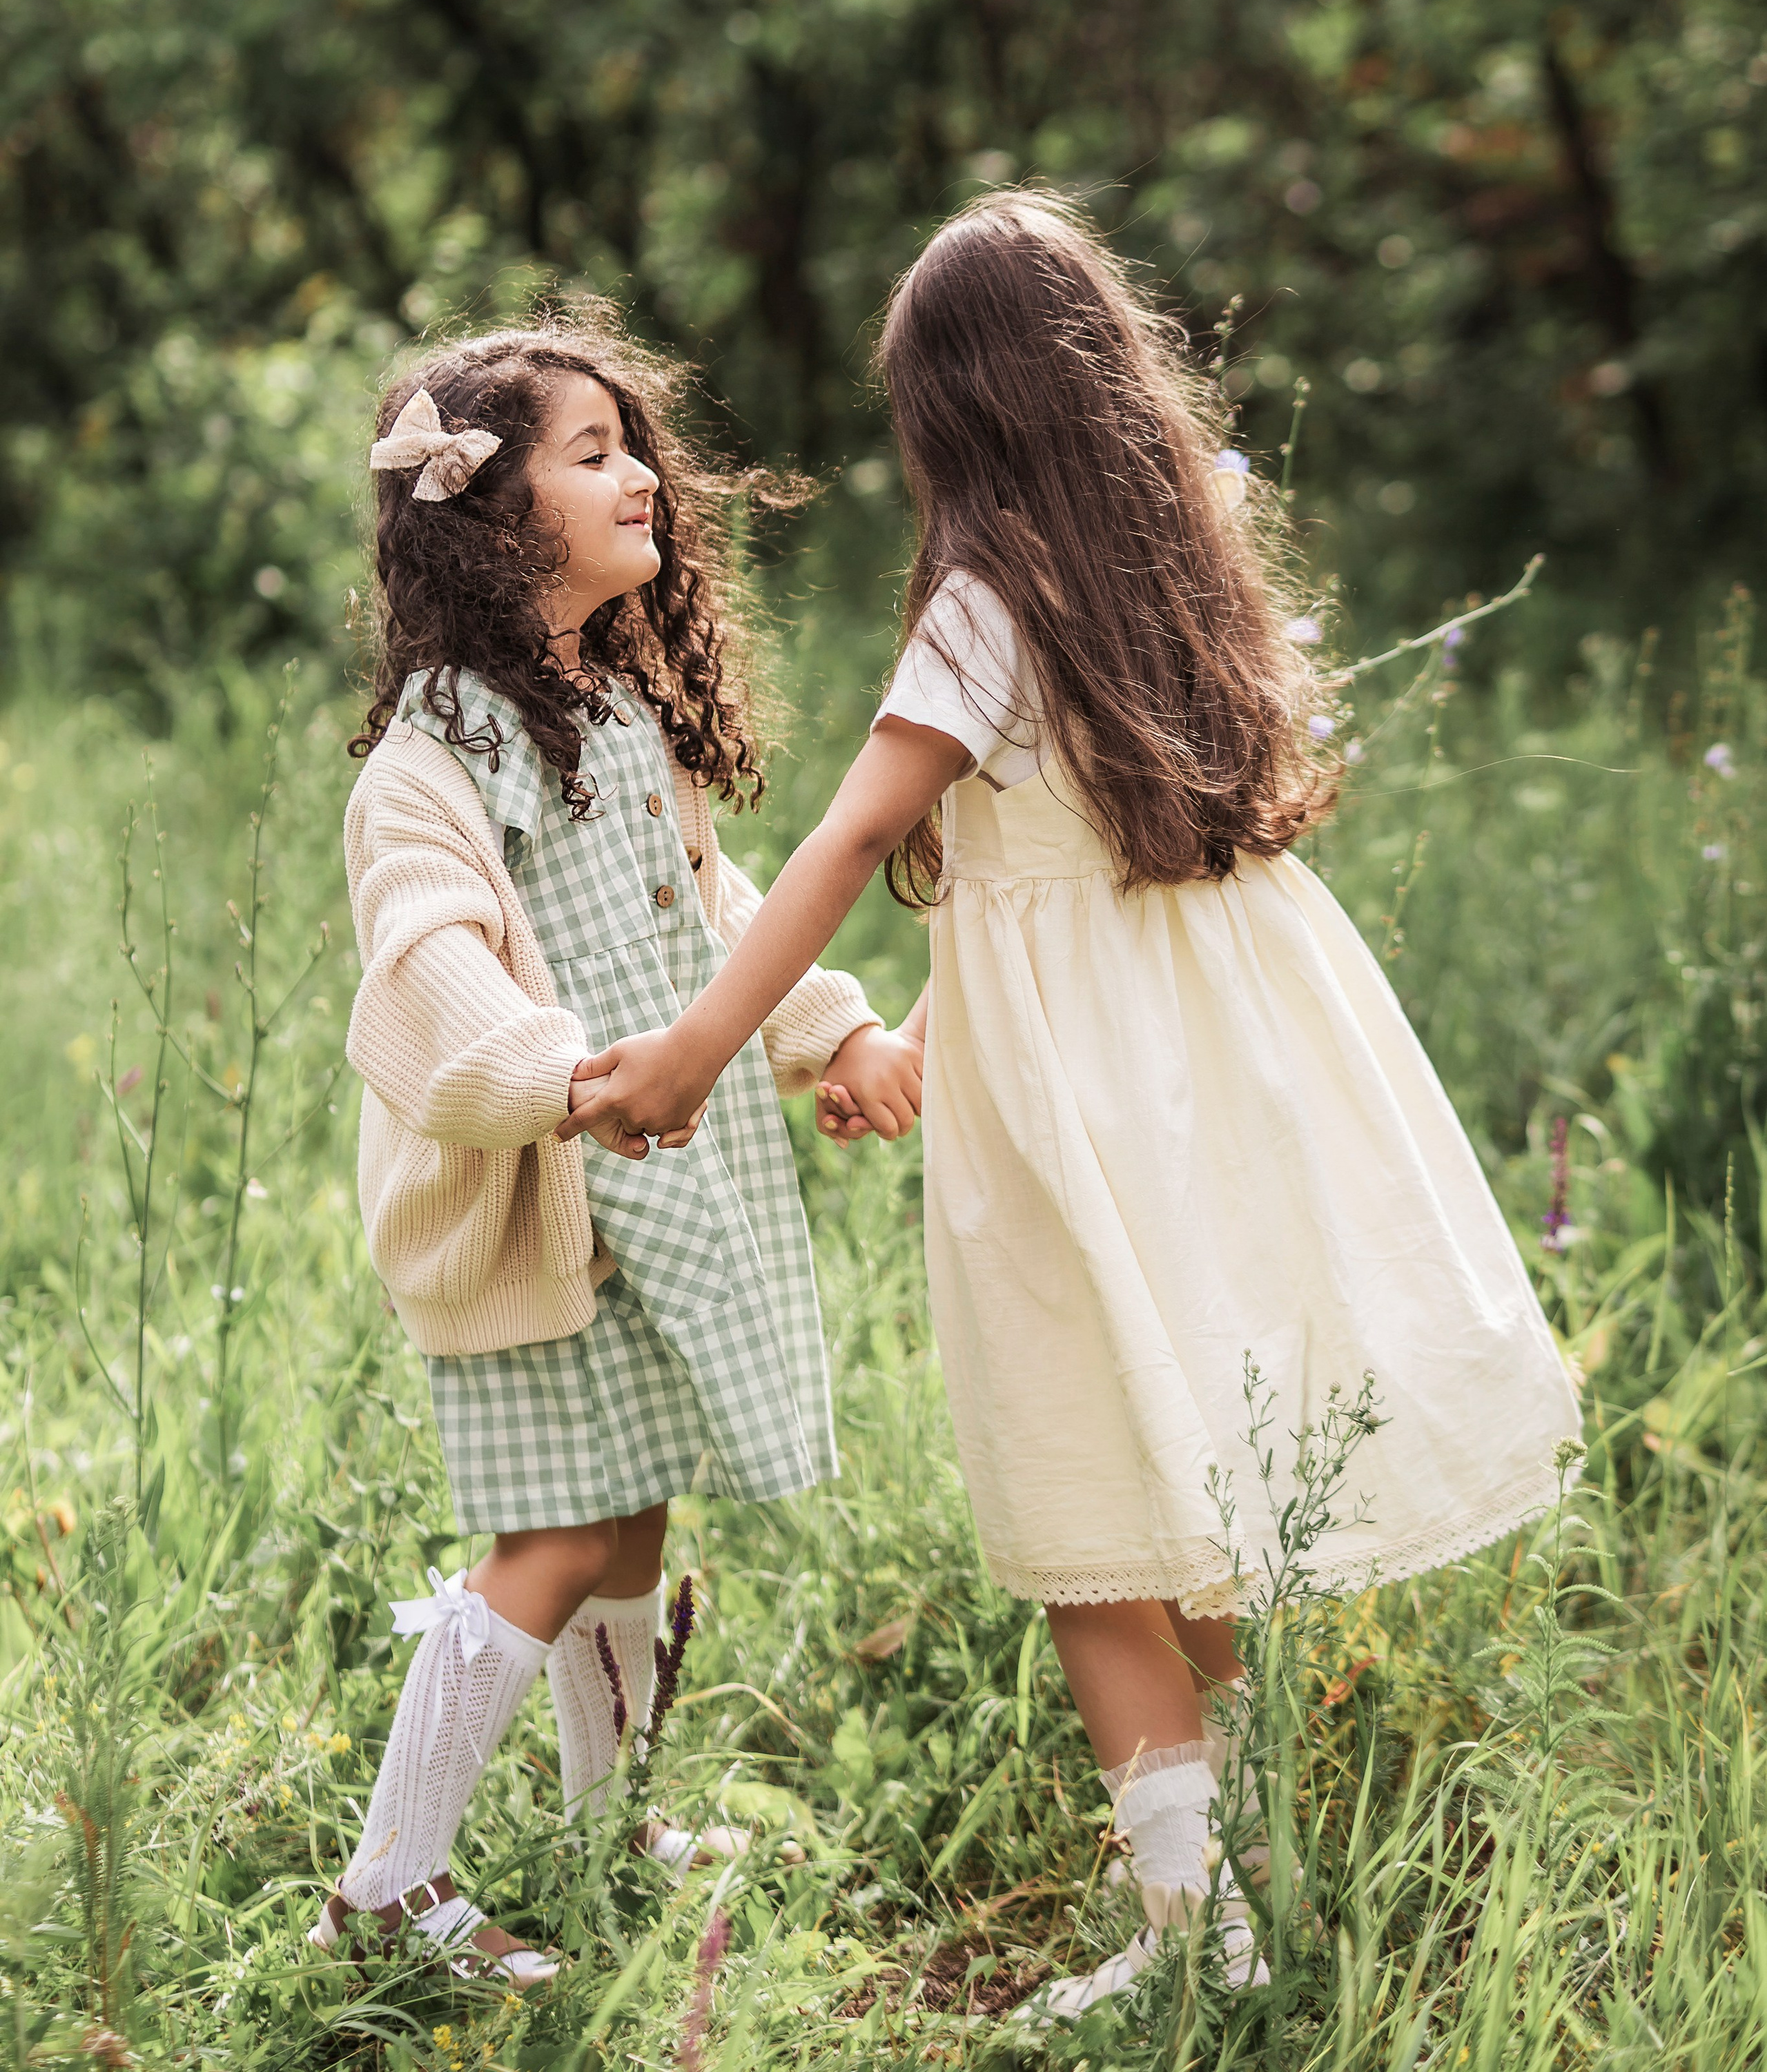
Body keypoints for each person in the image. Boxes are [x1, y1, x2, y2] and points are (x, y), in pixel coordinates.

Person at [563, 193, 1585, 2017]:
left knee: (1091, 1513)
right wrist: (929, 1023)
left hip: (1078, 1114)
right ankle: (1267, 1886)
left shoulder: (984, 599)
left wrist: (699, 1047)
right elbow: (1080, 863)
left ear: (948, 416)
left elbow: (863, 831)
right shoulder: (1185, 546)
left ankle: (1199, 1941)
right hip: (1216, 1057)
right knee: (1184, 1475)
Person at [311, 310, 922, 1988]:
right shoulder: (437, 754)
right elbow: (424, 955)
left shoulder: (618, 708)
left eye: (631, 443)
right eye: (592, 455)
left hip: (660, 1184)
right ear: (493, 522)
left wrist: (830, 1033)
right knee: (554, 1537)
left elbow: (711, 916)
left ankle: (601, 1827)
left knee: (632, 1519)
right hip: (540, 1203)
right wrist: (562, 1076)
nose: (642, 470)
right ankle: (385, 1883)